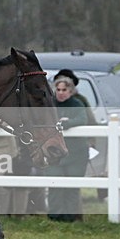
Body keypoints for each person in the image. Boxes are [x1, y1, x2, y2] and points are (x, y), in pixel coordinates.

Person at [44, 76, 89, 222]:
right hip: (54, 153)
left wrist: (67, 123)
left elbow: (82, 120)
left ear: (71, 91)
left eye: (64, 89)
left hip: (76, 153)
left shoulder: (77, 104)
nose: (61, 92)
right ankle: (55, 216)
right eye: (58, 89)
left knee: (72, 186)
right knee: (54, 184)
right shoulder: (50, 104)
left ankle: (70, 217)